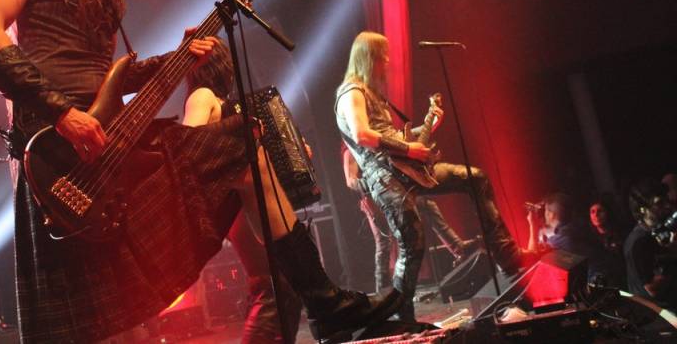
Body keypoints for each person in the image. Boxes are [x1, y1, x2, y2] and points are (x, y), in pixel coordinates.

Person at [0, 0, 398, 343]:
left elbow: (105, 78)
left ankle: (323, 300)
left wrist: (178, 58)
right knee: (88, 328)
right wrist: (62, 113)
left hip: (105, 144)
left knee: (241, 147)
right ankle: (325, 302)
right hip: (56, 152)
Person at [335, 31, 525, 323]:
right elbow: (362, 135)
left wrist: (428, 124)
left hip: (405, 170)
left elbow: (392, 136)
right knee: (412, 242)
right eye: (383, 56)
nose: (388, 62)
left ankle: (509, 260)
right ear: (368, 58)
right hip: (384, 177)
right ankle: (401, 316)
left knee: (475, 178)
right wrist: (409, 148)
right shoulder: (352, 92)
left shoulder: (374, 94)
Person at [182, 39, 303, 343]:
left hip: (243, 203)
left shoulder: (218, 100)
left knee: (283, 286)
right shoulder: (202, 95)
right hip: (237, 206)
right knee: (274, 286)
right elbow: (188, 147)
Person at [342, 147, 477, 294]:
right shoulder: (350, 150)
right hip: (375, 199)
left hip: (396, 191)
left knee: (427, 205)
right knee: (383, 242)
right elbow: (351, 181)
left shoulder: (372, 145)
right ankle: (382, 290)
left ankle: (458, 248)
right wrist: (374, 182)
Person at [624, 178, 677, 309]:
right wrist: (673, 254)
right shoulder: (640, 241)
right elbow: (652, 289)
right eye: (659, 203)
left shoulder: (657, 232)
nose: (667, 206)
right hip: (663, 315)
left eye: (666, 201)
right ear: (642, 209)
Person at [586, 194, 628, 288]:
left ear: (608, 212)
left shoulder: (620, 234)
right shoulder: (589, 239)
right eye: (592, 212)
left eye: (600, 211)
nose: (596, 215)